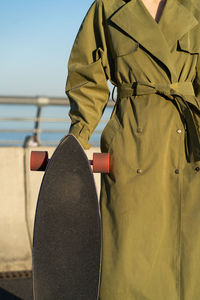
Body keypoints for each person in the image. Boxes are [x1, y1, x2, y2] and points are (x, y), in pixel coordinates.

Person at [65, 0, 200, 299]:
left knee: (189, 261)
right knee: (126, 256)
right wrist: (79, 138)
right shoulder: (107, 6)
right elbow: (87, 78)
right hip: (132, 143)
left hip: (189, 147)